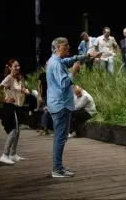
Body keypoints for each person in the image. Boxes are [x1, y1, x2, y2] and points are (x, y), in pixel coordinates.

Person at [47, 37, 101, 178]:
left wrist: (88, 55)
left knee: (60, 137)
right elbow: (64, 84)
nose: (69, 48)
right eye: (65, 46)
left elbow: (71, 59)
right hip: (61, 105)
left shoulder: (56, 60)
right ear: (57, 48)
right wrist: (74, 71)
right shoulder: (56, 64)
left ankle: (57, 167)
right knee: (60, 138)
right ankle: (57, 169)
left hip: (58, 104)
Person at [0, 59, 30, 165]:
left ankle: (13, 154)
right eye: (15, 66)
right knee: (13, 131)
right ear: (9, 67)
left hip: (17, 107)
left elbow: (20, 90)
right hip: (10, 107)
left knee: (17, 131)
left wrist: (25, 91)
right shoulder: (8, 78)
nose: (17, 68)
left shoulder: (18, 78)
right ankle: (5, 155)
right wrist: (4, 99)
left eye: (18, 66)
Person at [37, 61, 51, 135]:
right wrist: (39, 95)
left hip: (51, 96)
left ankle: (44, 128)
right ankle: (45, 128)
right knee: (44, 111)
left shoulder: (52, 75)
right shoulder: (41, 75)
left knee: (46, 111)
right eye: (47, 66)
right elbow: (39, 86)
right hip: (44, 96)